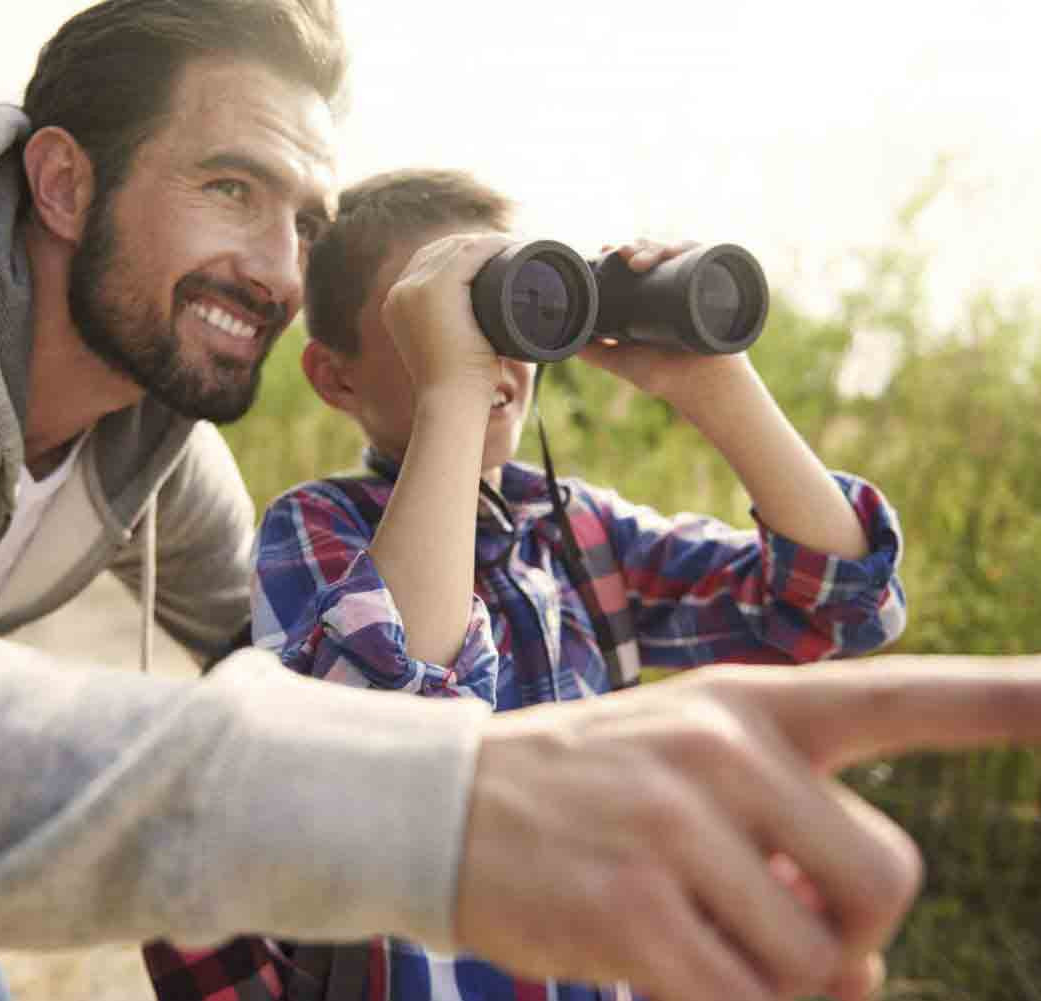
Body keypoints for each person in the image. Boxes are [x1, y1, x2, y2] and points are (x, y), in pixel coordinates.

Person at [0, 3, 1041, 1001]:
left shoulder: (160, 459)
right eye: (229, 188)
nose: (281, 269)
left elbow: (297, 668)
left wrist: (699, 380)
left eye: (305, 217)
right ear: (62, 182)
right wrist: (450, 803)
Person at [143, 166, 909, 1001]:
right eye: (435, 326)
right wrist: (453, 395)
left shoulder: (578, 531)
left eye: (511, 308)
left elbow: (838, 604)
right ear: (337, 378)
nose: (493, 358)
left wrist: (713, 381)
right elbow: (388, 715)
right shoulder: (318, 528)